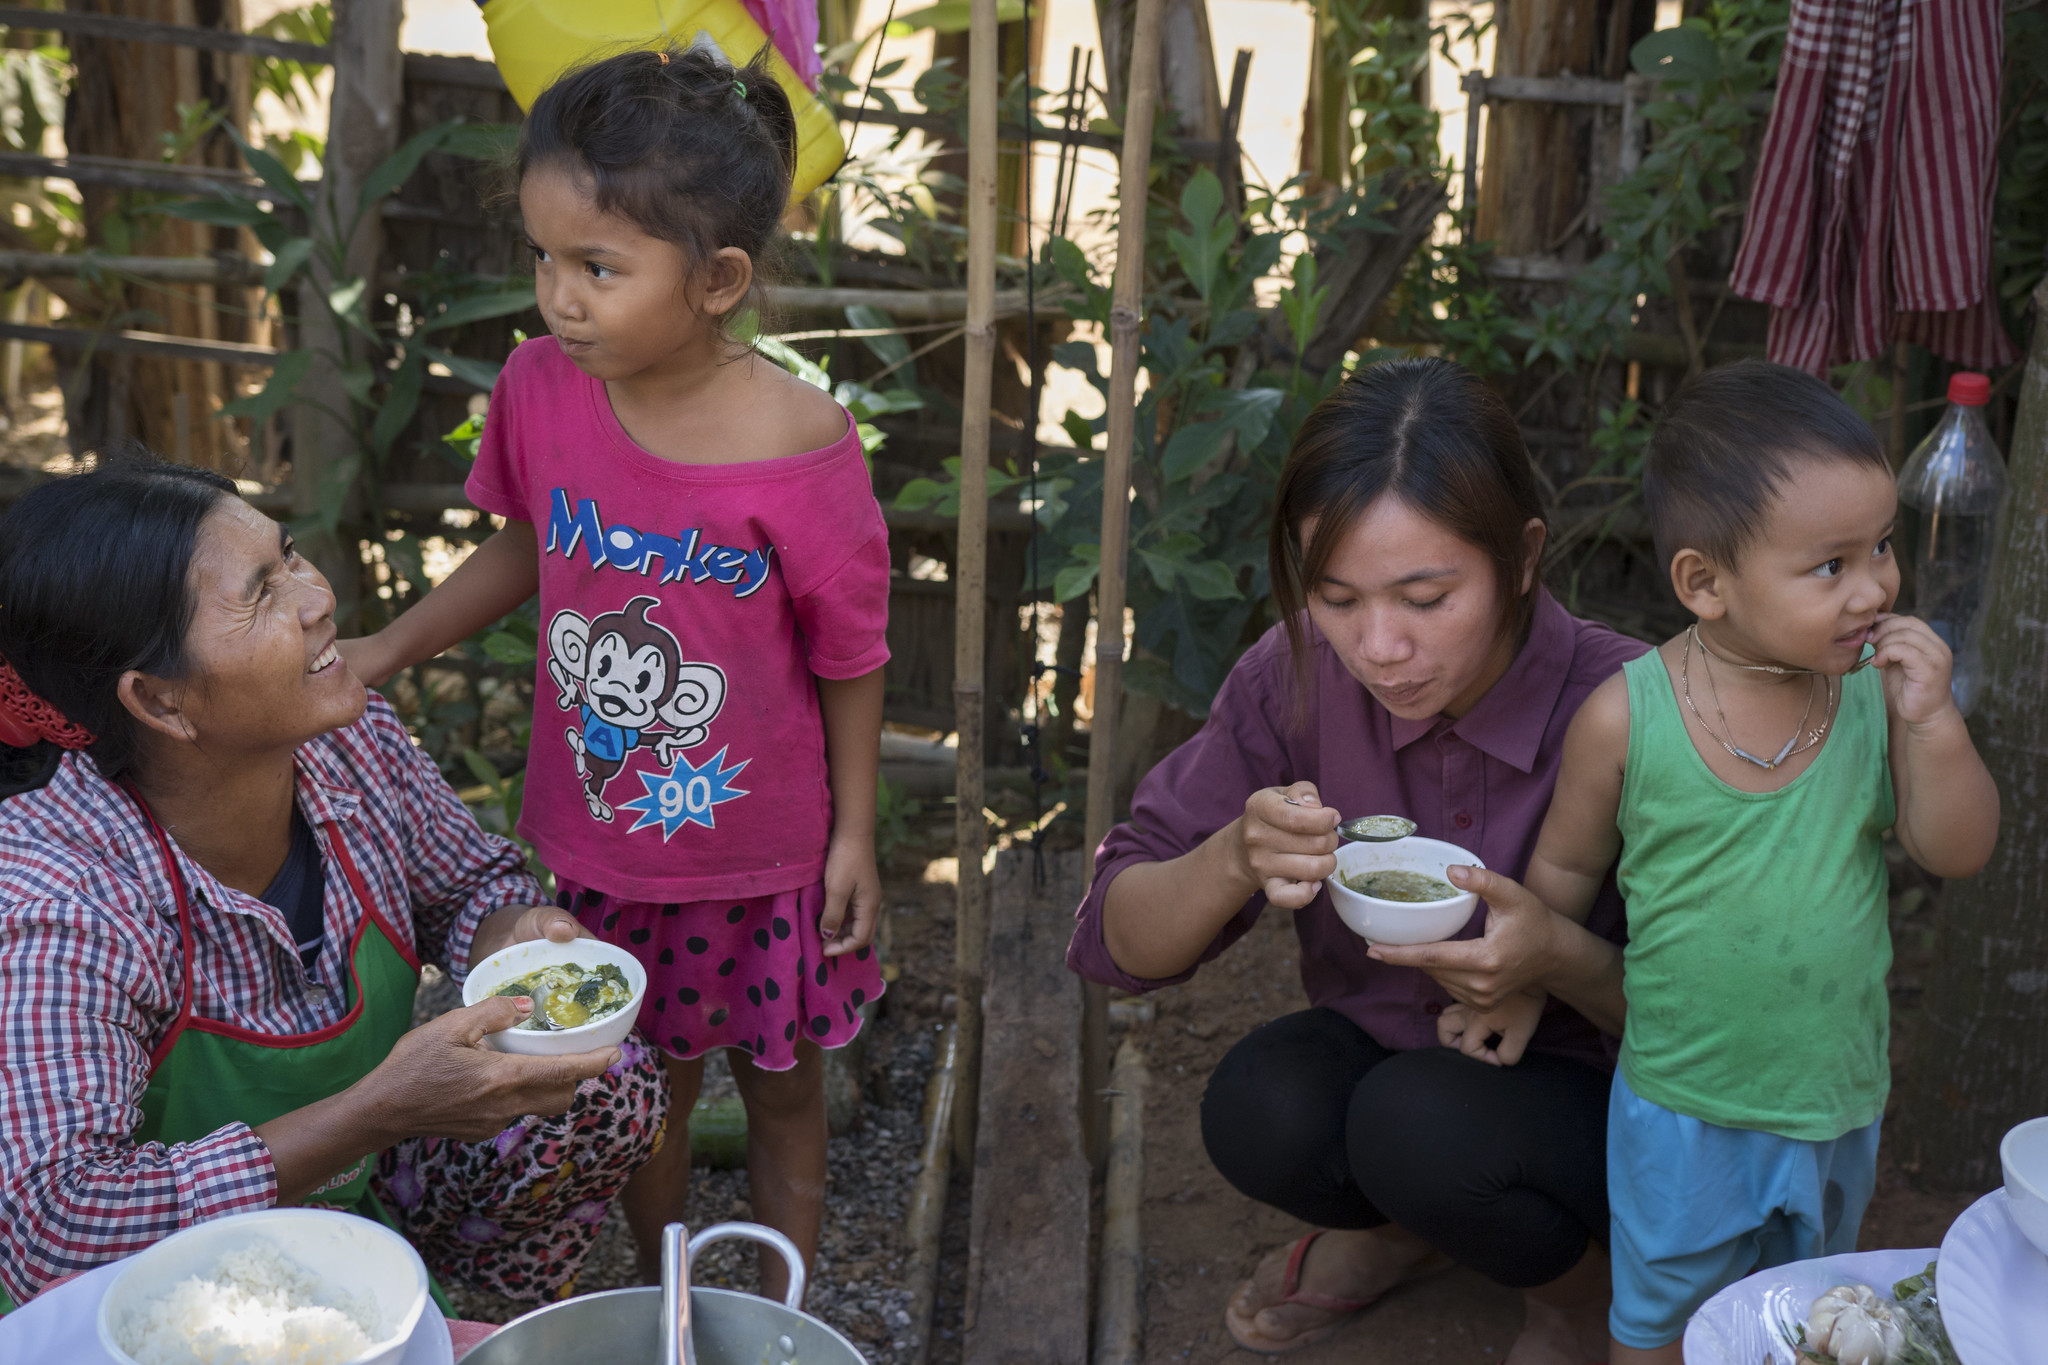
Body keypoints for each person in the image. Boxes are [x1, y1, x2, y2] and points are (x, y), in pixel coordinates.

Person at [339, 44, 890, 1294]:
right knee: (639, 1081)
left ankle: (776, 1311)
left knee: (784, 1084)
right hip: (599, 845)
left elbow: (852, 654)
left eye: (597, 267)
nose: (558, 299)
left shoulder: (802, 447)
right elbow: (524, 546)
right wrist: (388, 645)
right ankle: (667, 1293)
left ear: (719, 281)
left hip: (764, 855)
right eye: (541, 258)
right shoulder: (541, 390)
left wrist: (852, 834)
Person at [1068, 357, 1642, 1365]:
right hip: (1398, 1072)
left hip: (1613, 1107)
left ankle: (1578, 1297)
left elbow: (1732, 1034)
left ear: (1521, 559)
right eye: (1335, 598)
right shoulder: (1294, 677)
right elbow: (1122, 935)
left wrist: (1554, 959)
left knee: (1418, 1125)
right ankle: (1401, 1235)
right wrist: (1232, 857)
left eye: (1425, 598)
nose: (1377, 648)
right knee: (1261, 1109)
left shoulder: (1641, 709)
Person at [0, 455, 668, 1310]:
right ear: (160, 701)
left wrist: (509, 931)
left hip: (359, 1177)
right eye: (261, 593)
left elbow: (464, 884)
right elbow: (52, 1227)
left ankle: (488, 1314)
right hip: (159, 1289)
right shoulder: (60, 898)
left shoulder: (345, 738)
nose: (317, 598)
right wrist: (374, 1111)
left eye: (289, 557)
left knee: (600, 1080)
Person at [1441, 362, 1997, 1363]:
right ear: (1703, 583)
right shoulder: (1625, 717)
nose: (1872, 585)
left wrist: (1934, 724)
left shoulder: (1874, 699)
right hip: (1681, 1110)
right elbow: (1562, 875)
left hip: (1832, 1101)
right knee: (1657, 1323)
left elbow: (1954, 849)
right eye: (1828, 566)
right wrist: (1521, 984)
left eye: (1880, 547)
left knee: (1801, 1321)